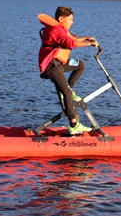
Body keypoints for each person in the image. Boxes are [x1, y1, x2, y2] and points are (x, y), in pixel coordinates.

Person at [37, 7, 99, 135]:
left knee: (80, 65)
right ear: (61, 19)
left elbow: (73, 39)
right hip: (51, 66)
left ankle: (69, 88)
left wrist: (87, 38)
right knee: (67, 94)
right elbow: (70, 43)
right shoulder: (56, 30)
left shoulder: (61, 29)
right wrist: (90, 44)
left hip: (59, 63)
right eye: (70, 19)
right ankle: (74, 125)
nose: (72, 22)